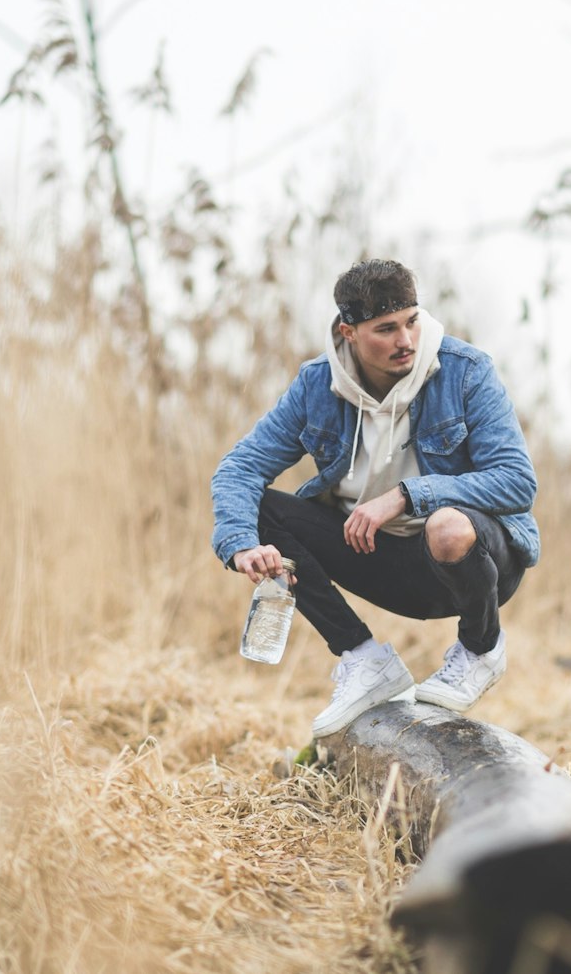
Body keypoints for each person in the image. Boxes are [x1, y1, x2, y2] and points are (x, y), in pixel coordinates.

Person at [210, 259, 540, 738]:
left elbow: (516, 481)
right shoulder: (316, 386)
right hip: (377, 560)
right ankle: (363, 660)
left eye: (412, 322)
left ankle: (480, 648)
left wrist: (407, 496)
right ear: (349, 332)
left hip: (467, 562)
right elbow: (240, 468)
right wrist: (241, 544)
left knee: (446, 525)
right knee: (259, 512)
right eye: (385, 329)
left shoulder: (466, 372)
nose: (405, 340)